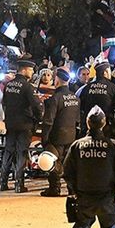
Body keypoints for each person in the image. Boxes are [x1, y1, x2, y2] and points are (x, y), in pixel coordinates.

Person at [0, 60, 43, 193]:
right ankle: (19, 184)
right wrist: (38, 118)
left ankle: (2, 182)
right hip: (24, 124)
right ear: (24, 70)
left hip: (11, 123)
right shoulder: (27, 86)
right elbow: (36, 105)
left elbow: (5, 102)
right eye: (31, 69)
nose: (33, 72)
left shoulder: (9, 85)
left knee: (8, 152)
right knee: (21, 153)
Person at [40, 68, 81, 197]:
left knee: (52, 162)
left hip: (56, 136)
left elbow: (48, 121)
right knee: (70, 164)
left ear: (57, 80)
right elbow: (78, 120)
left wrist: (45, 138)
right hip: (71, 135)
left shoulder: (55, 99)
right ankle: (72, 189)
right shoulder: (75, 98)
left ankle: (54, 188)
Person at [76, 61, 115, 138]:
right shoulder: (113, 88)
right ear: (105, 72)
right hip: (106, 129)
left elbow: (80, 108)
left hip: (88, 129)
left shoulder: (86, 88)